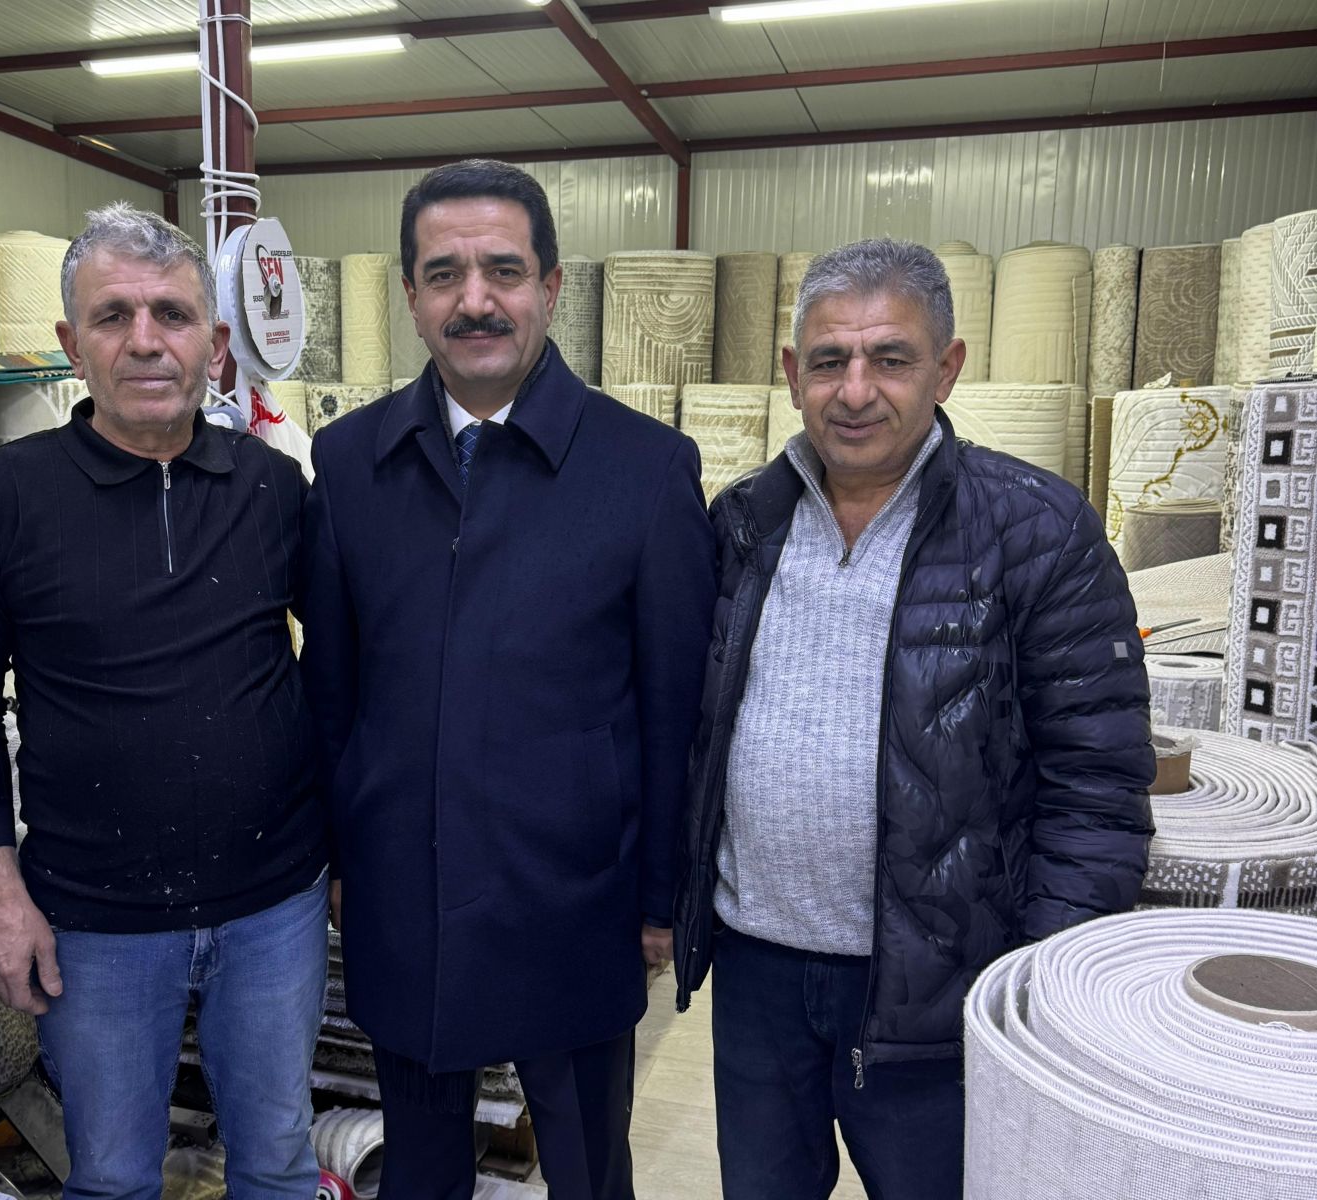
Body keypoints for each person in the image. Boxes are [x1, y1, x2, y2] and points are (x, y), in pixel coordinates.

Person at [673, 238, 1155, 1199]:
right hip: (757, 971)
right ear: (791, 374)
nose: (855, 391)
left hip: (941, 985)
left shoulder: (1036, 531)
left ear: (947, 367)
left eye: (889, 359)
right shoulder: (741, 524)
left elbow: (1096, 782)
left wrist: (1033, 978)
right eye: (829, 361)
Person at [300, 159, 715, 1200]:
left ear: (551, 287)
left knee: (584, 1170)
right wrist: (342, 857)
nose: (474, 300)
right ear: (409, 295)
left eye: (503, 270)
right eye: (443, 274)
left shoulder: (643, 469)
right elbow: (332, 692)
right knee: (421, 1170)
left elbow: (674, 708)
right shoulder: (349, 464)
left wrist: (659, 897)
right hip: (403, 888)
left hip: (571, 897)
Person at [0, 203, 328, 1200]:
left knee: (278, 1164)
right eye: (113, 316)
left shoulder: (275, 489)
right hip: (93, 922)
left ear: (215, 343)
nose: (145, 341)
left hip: (272, 907)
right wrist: (3, 899)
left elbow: (338, 670)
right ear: (72, 345)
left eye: (171, 315)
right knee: (110, 1179)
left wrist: (344, 846)